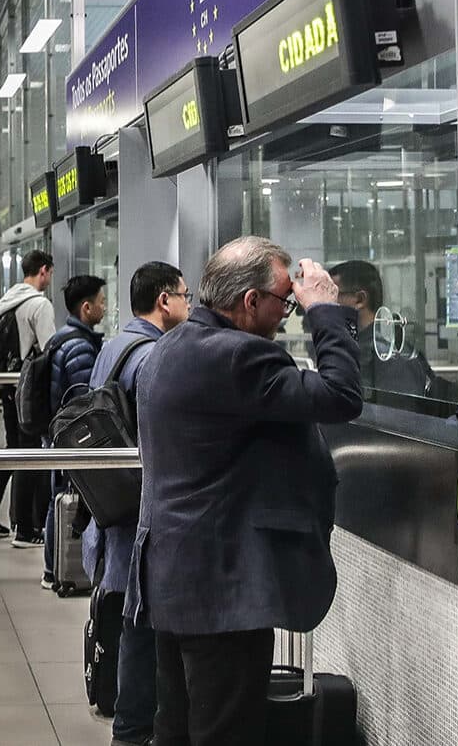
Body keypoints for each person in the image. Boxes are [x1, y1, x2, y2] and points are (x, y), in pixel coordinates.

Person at [132, 236, 362, 746]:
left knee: (176, 727)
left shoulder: (170, 347)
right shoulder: (236, 357)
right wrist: (324, 310)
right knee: (225, 732)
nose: (289, 313)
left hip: (175, 576)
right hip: (222, 587)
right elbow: (342, 396)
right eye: (285, 300)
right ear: (251, 301)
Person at [82, 261, 188, 746]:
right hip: (141, 507)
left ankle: (130, 722)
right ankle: (131, 729)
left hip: (114, 503)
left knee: (131, 616)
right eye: (184, 296)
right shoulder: (151, 357)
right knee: (141, 625)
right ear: (164, 300)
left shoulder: (114, 345)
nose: (189, 306)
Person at [0, 250, 57, 546]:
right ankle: (24, 528)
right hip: (26, 387)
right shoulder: (39, 304)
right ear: (43, 270)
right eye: (50, 272)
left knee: (13, 450)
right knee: (29, 453)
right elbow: (50, 349)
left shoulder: (9, 300)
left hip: (6, 385)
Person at [43, 274, 106, 588]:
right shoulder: (80, 346)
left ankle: (52, 568)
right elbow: (85, 398)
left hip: (55, 431)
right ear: (86, 307)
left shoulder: (61, 336)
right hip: (71, 434)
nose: (105, 308)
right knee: (66, 497)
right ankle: (59, 570)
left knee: (57, 497)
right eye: (101, 303)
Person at [331, 259, 438, 399]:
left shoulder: (389, 356)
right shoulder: (356, 346)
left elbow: (399, 417)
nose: (325, 304)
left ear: (359, 299)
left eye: (331, 294)